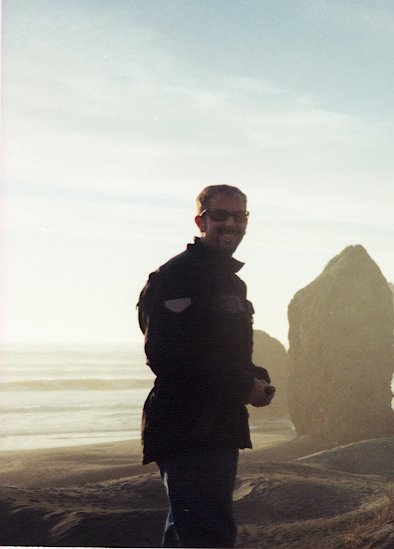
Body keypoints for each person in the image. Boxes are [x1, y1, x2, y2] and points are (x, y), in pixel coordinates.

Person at [137, 184, 274, 547]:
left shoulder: (231, 282)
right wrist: (244, 386)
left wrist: (254, 377)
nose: (230, 224)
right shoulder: (177, 276)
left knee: (188, 532)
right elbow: (168, 356)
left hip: (217, 427)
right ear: (201, 220)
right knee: (208, 535)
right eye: (219, 215)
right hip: (187, 428)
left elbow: (222, 353)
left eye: (239, 216)